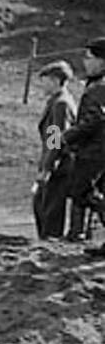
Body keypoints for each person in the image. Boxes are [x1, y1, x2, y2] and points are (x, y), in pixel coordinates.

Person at [62, 37, 105, 249]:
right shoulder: (97, 85)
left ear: (102, 61)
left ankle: (76, 234)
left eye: (89, 57)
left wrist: (66, 137)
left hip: (95, 150)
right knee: (94, 192)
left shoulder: (98, 88)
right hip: (98, 148)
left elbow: (93, 121)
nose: (84, 62)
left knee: (82, 192)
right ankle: (81, 234)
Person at [32, 60, 78, 240]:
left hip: (59, 163)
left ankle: (49, 240)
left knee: (49, 206)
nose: (42, 84)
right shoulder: (57, 101)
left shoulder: (60, 104)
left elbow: (55, 138)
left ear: (56, 80)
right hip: (56, 160)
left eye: (45, 80)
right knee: (41, 203)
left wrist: (47, 166)